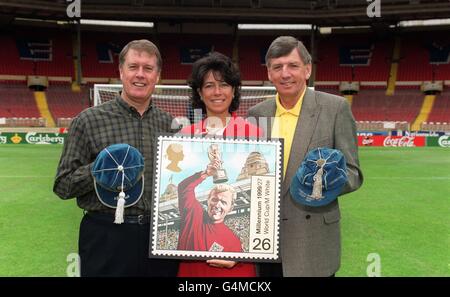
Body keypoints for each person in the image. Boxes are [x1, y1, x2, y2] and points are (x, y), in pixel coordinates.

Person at [53, 39, 179, 277]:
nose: (140, 74)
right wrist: (100, 170)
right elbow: (63, 186)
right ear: (121, 71)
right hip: (105, 235)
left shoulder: (170, 125)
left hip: (160, 236)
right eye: (133, 67)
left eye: (148, 68)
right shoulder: (88, 121)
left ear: (158, 75)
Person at [248, 36, 363, 277]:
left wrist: (324, 184)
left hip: (313, 243)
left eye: (293, 66)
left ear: (307, 69)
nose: (285, 74)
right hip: (266, 243)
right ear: (269, 73)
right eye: (277, 67)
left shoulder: (335, 108)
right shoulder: (257, 114)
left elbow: (354, 173)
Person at [177, 51, 260, 277]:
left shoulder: (255, 135)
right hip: (193, 270)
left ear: (234, 91)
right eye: (209, 86)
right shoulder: (185, 136)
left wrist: (241, 256)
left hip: (237, 271)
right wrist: (205, 173)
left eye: (223, 85)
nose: (217, 92)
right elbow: (183, 188)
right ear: (199, 93)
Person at [177, 158, 254, 277]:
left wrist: (235, 262)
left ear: (231, 208)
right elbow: (184, 188)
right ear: (208, 201)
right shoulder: (194, 215)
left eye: (223, 202)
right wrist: (206, 174)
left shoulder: (233, 240)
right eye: (214, 199)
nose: (217, 204)